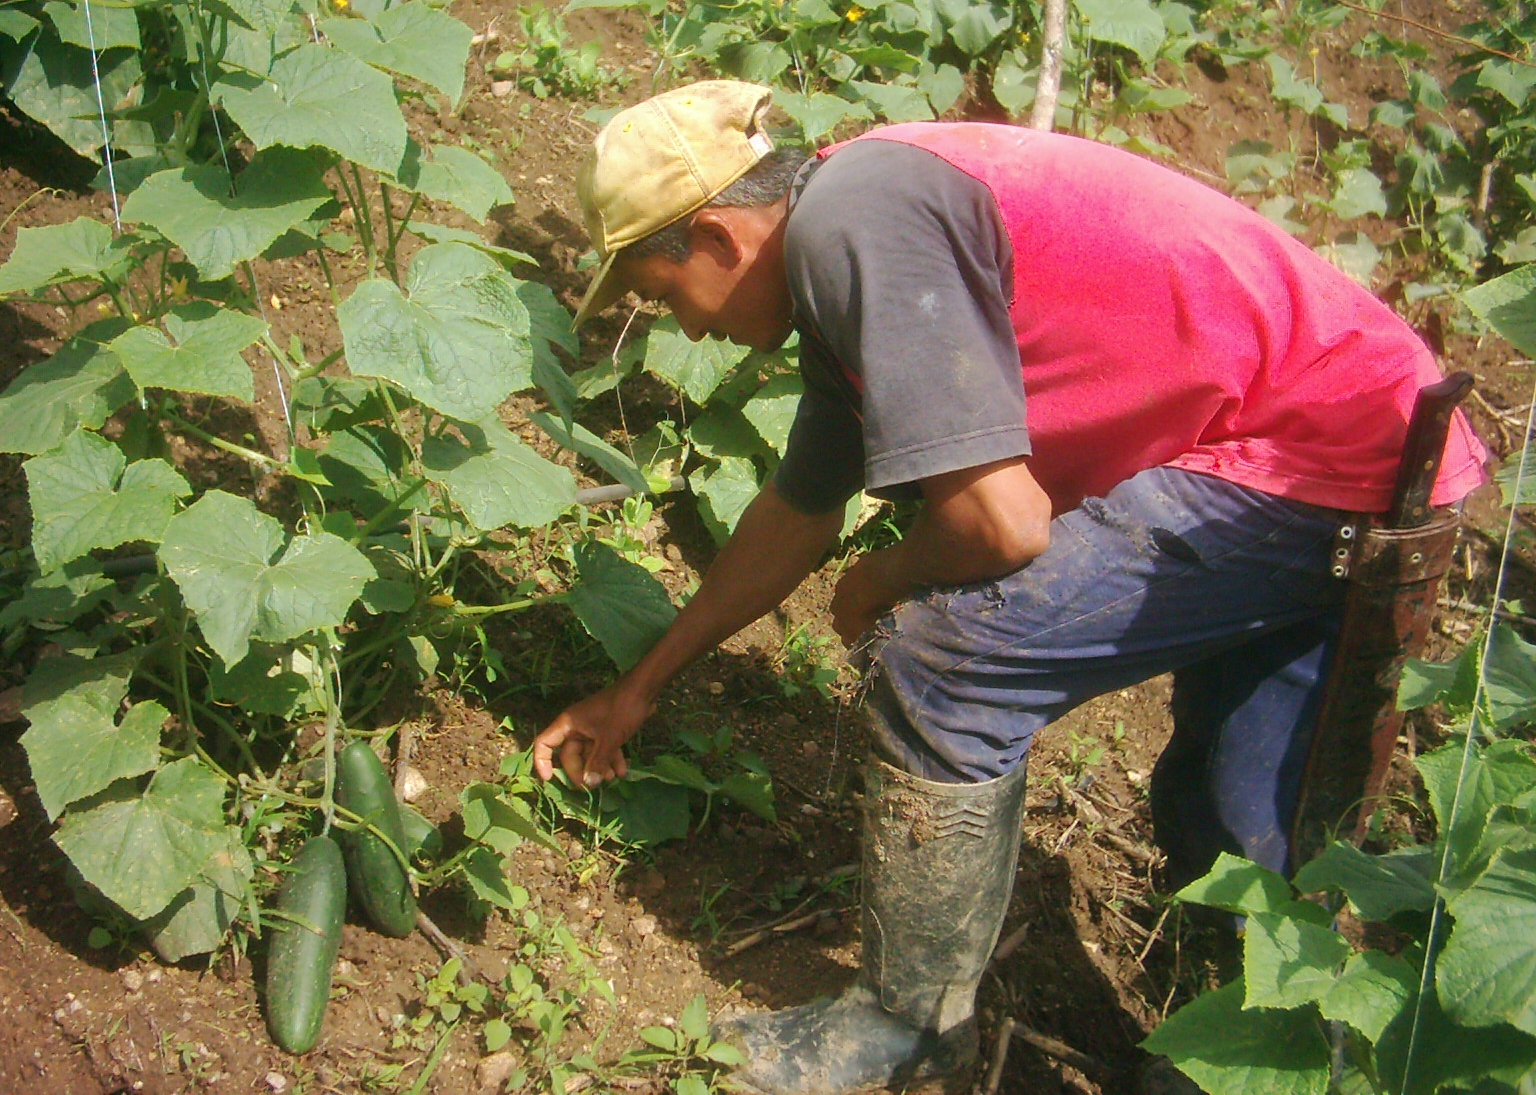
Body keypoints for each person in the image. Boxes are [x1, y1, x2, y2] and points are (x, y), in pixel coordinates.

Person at [531, 80, 1486, 1095]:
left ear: (719, 240)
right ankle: (1232, 1060)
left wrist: (880, 579)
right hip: (1374, 443)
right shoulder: (858, 223)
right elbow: (796, 509)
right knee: (1244, 800)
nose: (688, 325)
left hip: (1307, 453)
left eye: (661, 292)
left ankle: (904, 1032)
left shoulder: (855, 225)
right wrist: (641, 684)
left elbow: (1001, 525)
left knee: (948, 665)